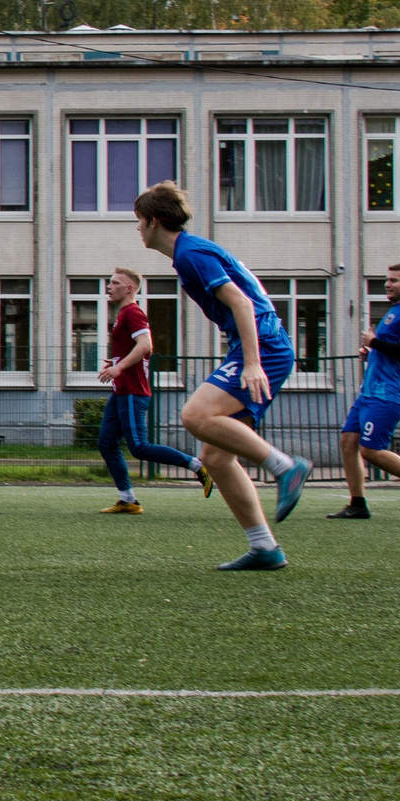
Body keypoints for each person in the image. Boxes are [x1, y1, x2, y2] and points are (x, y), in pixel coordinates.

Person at [132, 182, 311, 571]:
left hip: (263, 345)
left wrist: (251, 362)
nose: (137, 229)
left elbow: (242, 303)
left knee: (195, 416)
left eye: (139, 221)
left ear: (154, 221)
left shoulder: (192, 254)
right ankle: (265, 548)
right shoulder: (188, 254)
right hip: (259, 344)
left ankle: (286, 467)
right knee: (215, 457)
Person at [93, 266, 212, 513]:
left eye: (114, 283)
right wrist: (115, 363)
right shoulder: (123, 314)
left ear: (128, 289)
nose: (108, 286)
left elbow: (146, 345)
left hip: (132, 391)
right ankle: (128, 500)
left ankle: (197, 465)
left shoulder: (133, 313)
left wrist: (119, 367)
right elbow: (135, 349)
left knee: (139, 447)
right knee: (106, 443)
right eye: (109, 282)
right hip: (121, 391)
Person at [330, 263, 400, 520]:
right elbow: (392, 351)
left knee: (370, 450)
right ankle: (357, 503)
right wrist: (372, 352)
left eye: (393, 280)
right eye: (386, 280)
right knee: (348, 442)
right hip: (370, 391)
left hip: (389, 393)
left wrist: (375, 342)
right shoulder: (395, 311)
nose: (387, 284)